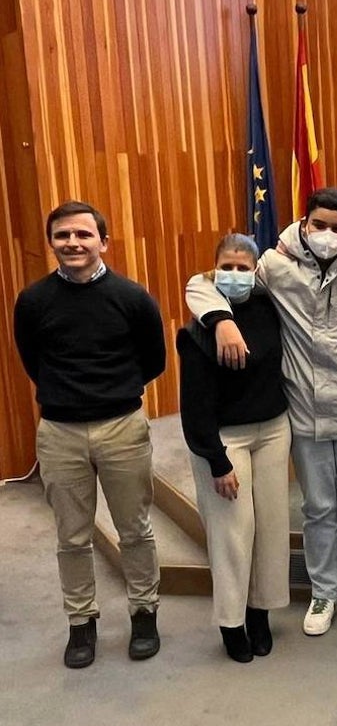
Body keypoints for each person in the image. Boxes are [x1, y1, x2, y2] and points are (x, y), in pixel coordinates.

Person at [185, 187, 337, 638]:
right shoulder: (275, 266)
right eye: (320, 224)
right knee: (317, 507)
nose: (328, 234)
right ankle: (323, 591)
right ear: (304, 221)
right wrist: (220, 320)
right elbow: (206, 281)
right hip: (303, 408)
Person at [13, 201, 166, 669]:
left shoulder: (132, 297)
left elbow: (153, 360)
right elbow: (32, 361)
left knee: (135, 530)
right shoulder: (34, 301)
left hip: (121, 426)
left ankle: (144, 614)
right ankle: (81, 623)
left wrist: (111, 392)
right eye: (62, 236)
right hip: (60, 431)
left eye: (83, 234)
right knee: (71, 538)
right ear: (52, 243)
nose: (73, 243)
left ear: (104, 241)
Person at [176, 234, 290, 663]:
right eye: (228, 266)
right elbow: (194, 407)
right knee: (232, 533)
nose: (236, 275)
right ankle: (231, 622)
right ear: (214, 269)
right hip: (225, 439)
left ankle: (260, 611)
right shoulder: (200, 326)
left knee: (272, 528)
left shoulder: (267, 306)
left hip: (274, 429)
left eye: (244, 268)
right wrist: (217, 461)